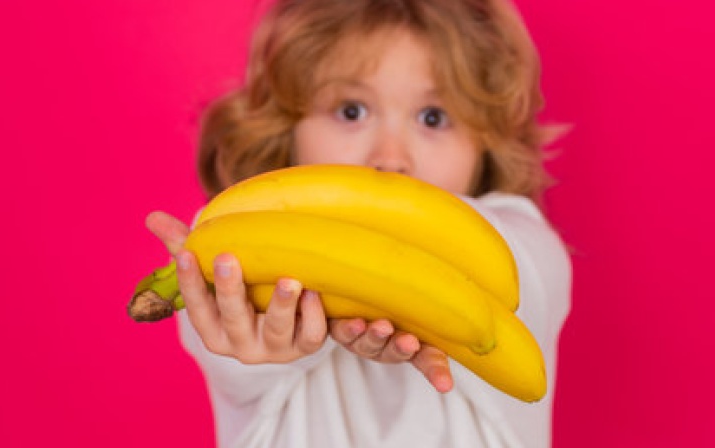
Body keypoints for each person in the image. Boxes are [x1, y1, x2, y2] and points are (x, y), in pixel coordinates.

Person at [146, 0, 571, 446]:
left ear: (485, 143)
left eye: (433, 117)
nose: (390, 157)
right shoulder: (244, 256)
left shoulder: (524, 244)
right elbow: (221, 320)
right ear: (286, 129)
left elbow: (516, 279)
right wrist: (244, 324)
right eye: (351, 111)